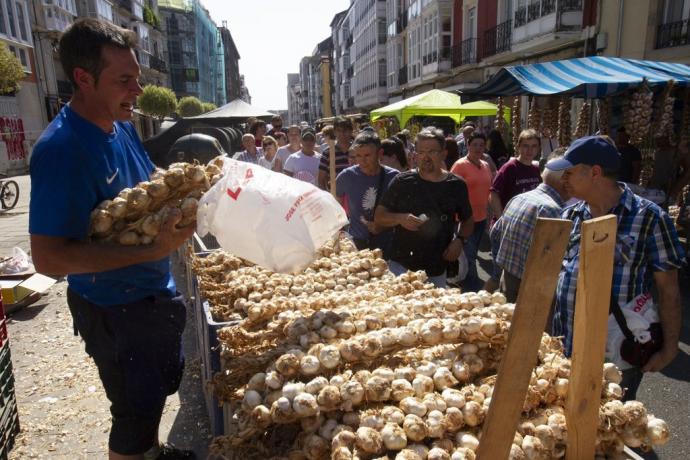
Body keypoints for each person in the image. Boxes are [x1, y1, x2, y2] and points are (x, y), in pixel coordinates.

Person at [28, 19, 195, 460]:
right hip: (116, 310)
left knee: (152, 397)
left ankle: (153, 452)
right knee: (132, 417)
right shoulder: (62, 150)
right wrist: (152, 250)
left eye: (137, 77)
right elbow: (47, 258)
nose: (137, 90)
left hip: (152, 296)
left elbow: (145, 188)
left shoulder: (120, 126)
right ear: (83, 79)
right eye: (125, 80)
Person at [547, 136, 684, 401]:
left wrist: (669, 349)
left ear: (595, 173)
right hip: (564, 348)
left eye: (570, 172)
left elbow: (669, 290)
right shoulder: (571, 215)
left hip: (616, 354)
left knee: (611, 428)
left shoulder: (649, 218)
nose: (563, 178)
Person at [375, 127, 474, 288]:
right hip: (401, 266)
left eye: (432, 152)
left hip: (436, 268)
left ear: (443, 153)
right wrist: (400, 219)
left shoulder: (456, 185)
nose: (426, 157)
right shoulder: (402, 181)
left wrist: (460, 241)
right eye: (421, 152)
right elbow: (379, 216)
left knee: (432, 312)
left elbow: (468, 220)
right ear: (415, 155)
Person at [490, 148, 570, 303]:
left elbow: (495, 234)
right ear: (564, 180)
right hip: (530, 294)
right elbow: (560, 264)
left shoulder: (519, 198)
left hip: (507, 282)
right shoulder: (554, 211)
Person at [336, 131, 399, 256]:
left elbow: (402, 213)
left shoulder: (394, 177)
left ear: (379, 153)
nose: (362, 161)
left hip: (387, 243)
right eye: (358, 156)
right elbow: (335, 208)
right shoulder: (346, 176)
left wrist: (382, 226)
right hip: (356, 243)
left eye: (367, 155)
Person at [450, 132, 493, 292]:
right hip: (463, 219)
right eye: (474, 144)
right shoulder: (460, 165)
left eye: (481, 145)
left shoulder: (486, 165)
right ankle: (471, 290)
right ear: (468, 146)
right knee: (468, 257)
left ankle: (466, 289)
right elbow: (450, 190)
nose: (478, 148)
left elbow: (488, 191)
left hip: (481, 219)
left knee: (472, 254)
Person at [489, 129, 542, 219]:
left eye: (534, 146)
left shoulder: (536, 169)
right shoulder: (509, 168)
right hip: (509, 221)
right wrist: (501, 219)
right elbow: (493, 194)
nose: (530, 150)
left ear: (538, 148)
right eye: (526, 146)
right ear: (519, 147)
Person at [318, 116, 354, 190]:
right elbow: (321, 180)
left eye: (345, 130)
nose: (342, 134)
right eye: (339, 130)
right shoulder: (327, 153)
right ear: (334, 132)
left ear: (351, 131)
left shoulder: (359, 151)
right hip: (335, 198)